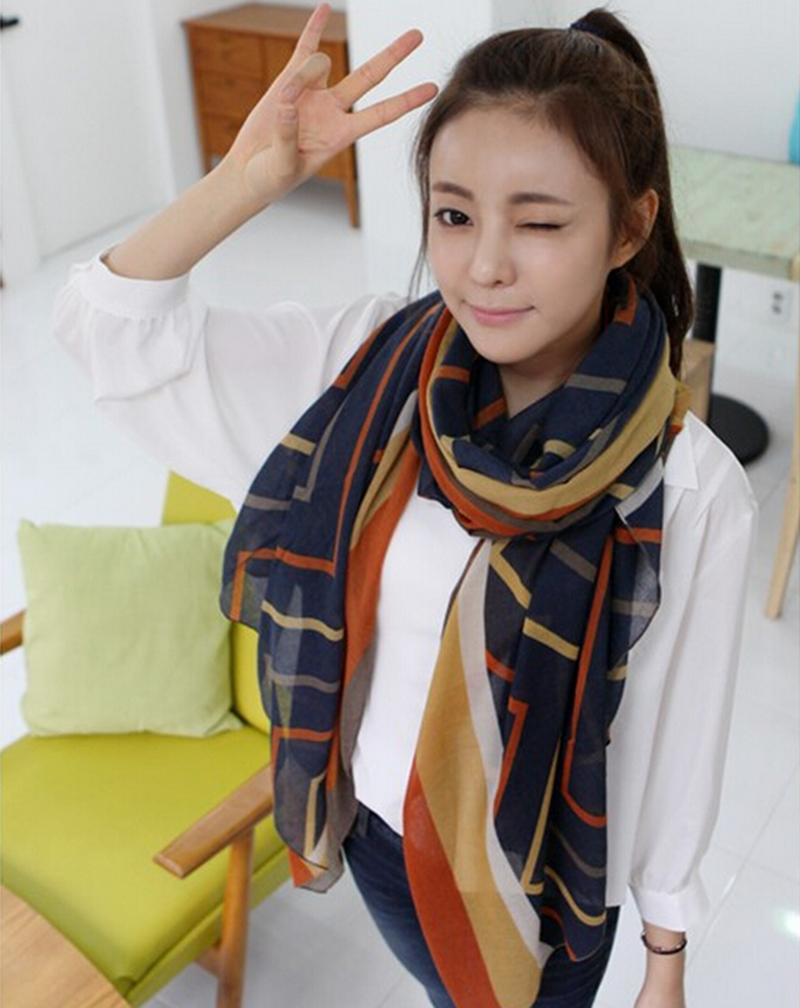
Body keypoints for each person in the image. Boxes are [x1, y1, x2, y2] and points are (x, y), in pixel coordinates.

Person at [53, 6, 756, 1007]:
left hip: (545, 897)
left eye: (540, 223)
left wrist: (666, 962)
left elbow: (679, 743)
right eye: (454, 215)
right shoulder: (370, 366)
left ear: (628, 228)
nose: (484, 265)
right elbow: (107, 337)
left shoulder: (688, 485)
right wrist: (242, 182)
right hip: (379, 845)